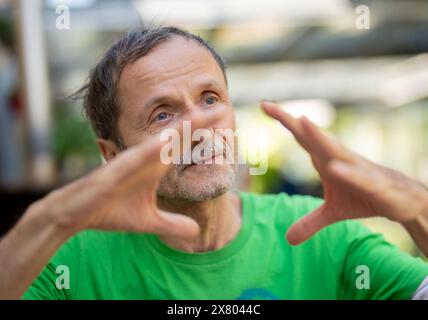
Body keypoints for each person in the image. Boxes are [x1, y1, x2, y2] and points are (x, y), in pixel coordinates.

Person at [0, 26, 427, 300]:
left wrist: (418, 210)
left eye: (210, 99)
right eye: (163, 115)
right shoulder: (73, 260)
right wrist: (50, 220)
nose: (200, 125)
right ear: (112, 155)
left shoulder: (321, 236)